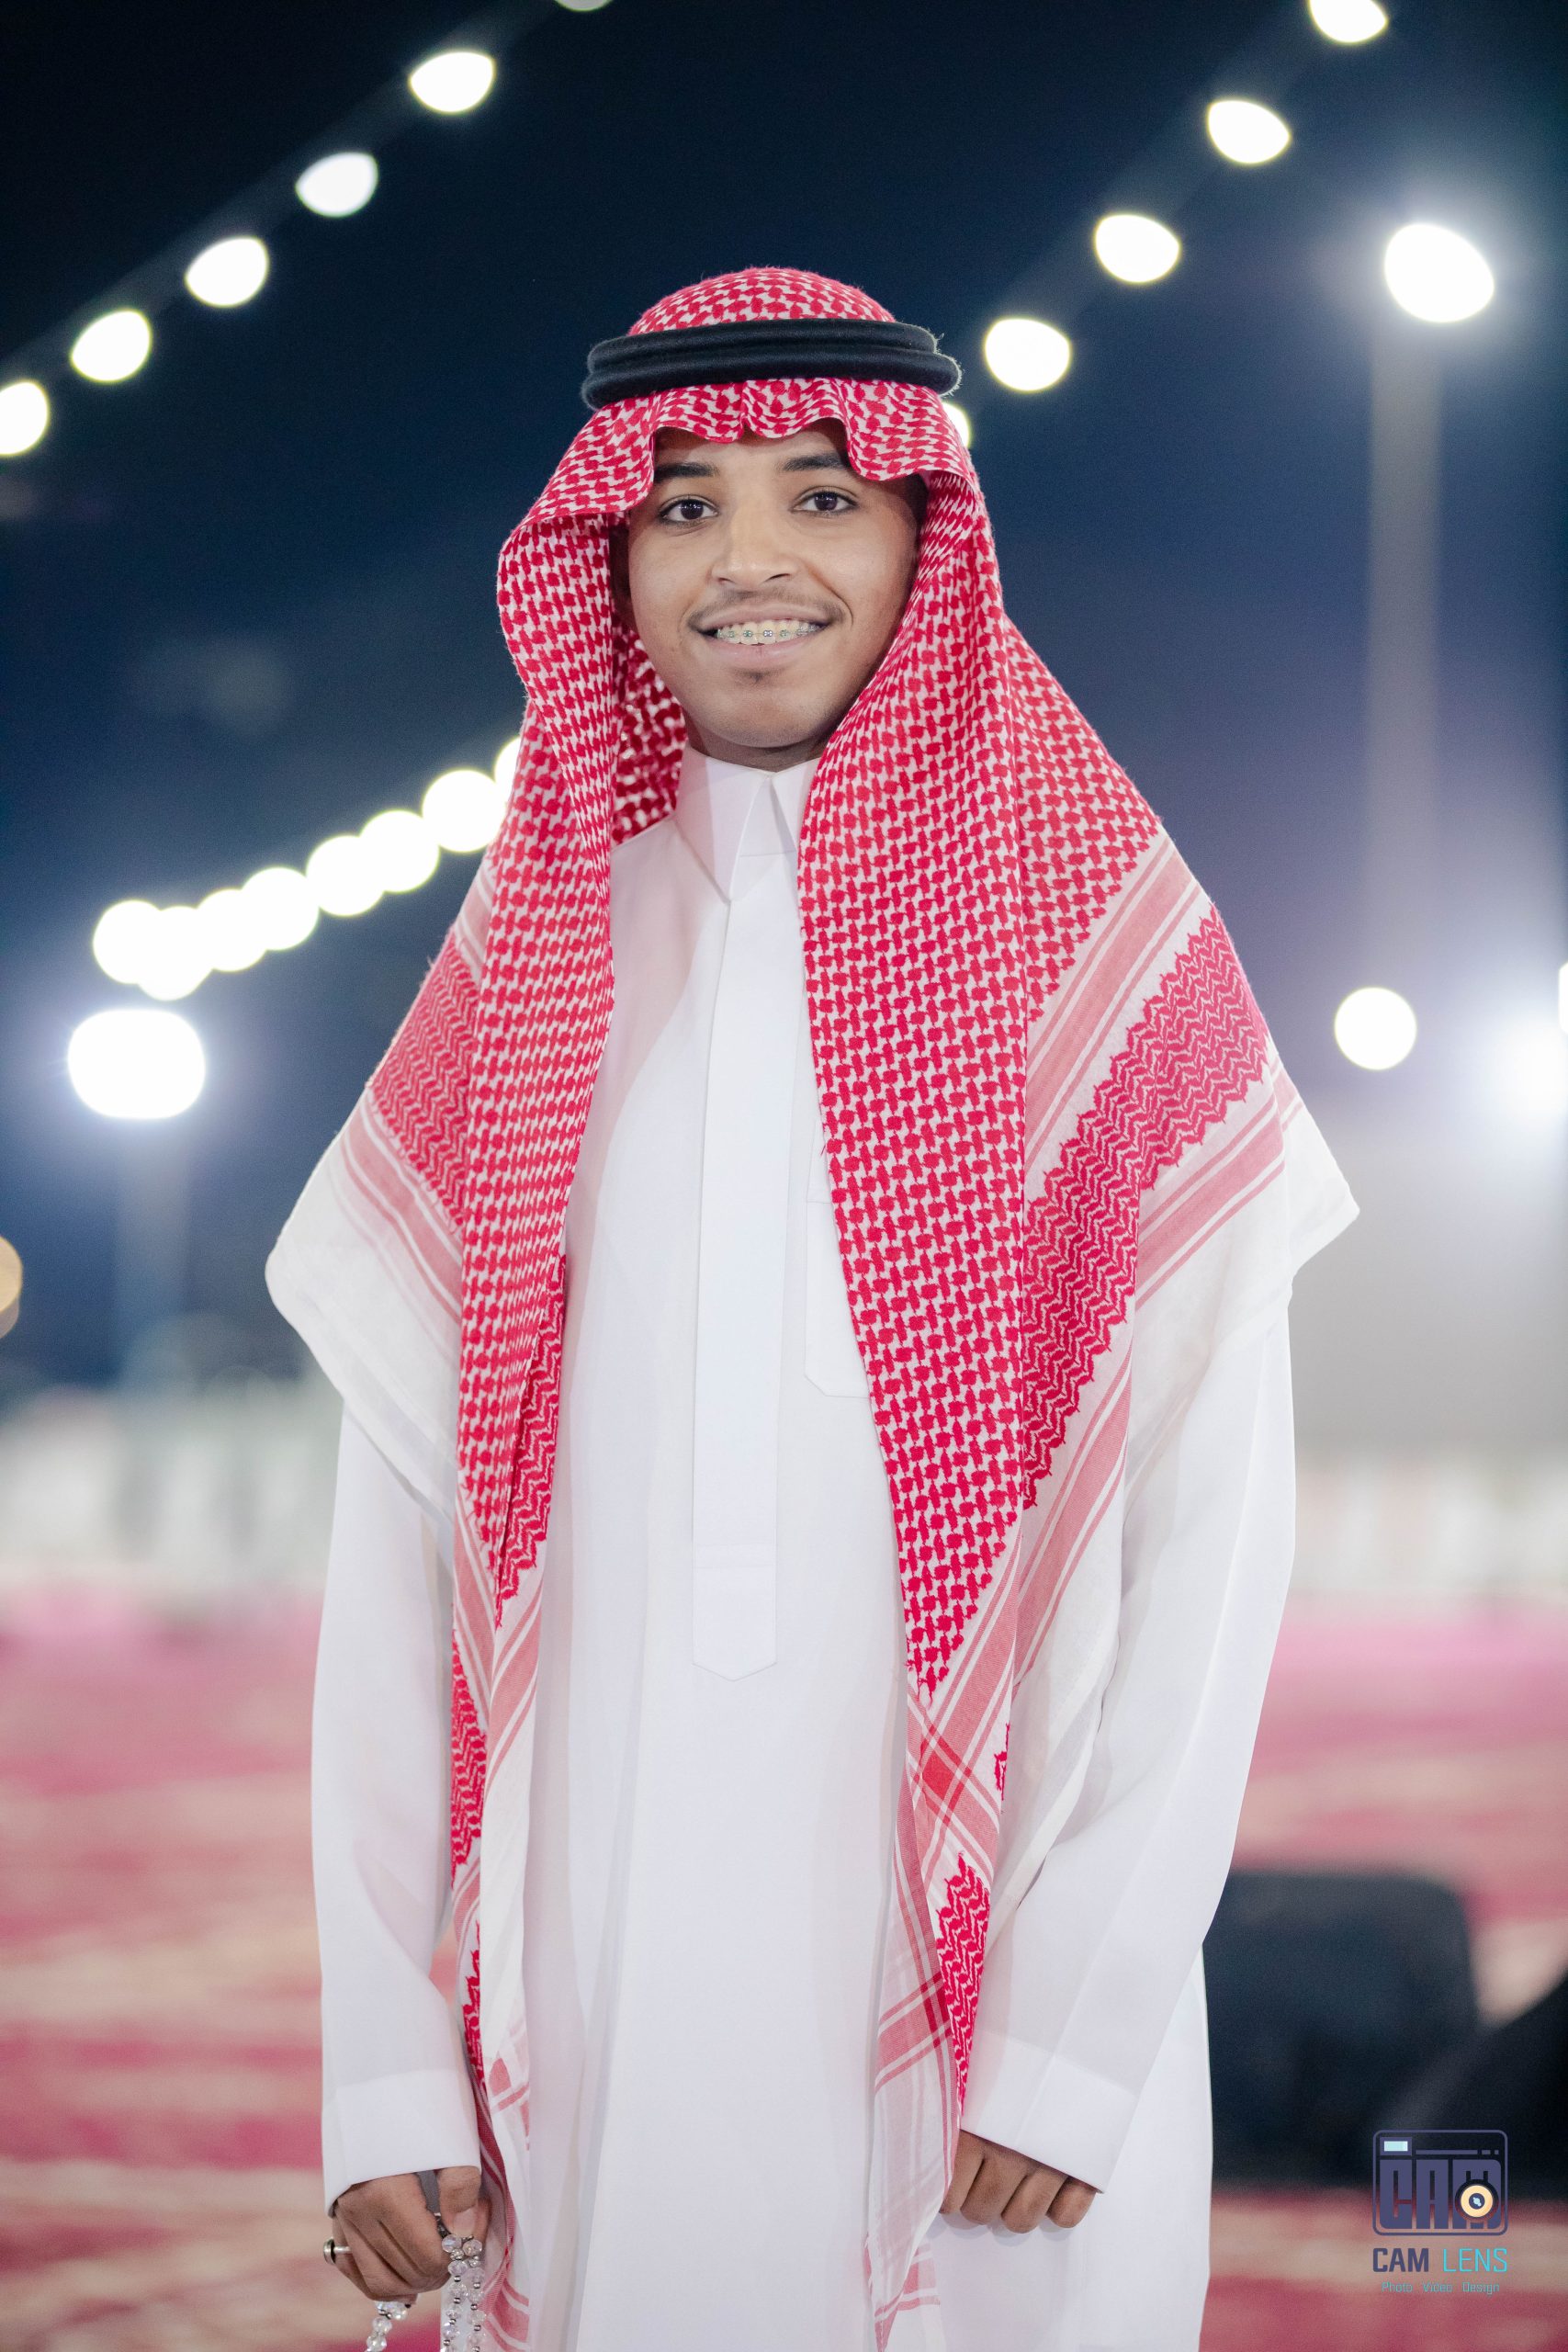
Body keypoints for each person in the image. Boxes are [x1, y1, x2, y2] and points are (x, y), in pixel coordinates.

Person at [268, 266, 1357, 2352]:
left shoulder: (1104, 954)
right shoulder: (530, 968)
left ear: (925, 539)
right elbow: (399, 1565)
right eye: (681, 505)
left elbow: (1212, 1536)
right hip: (588, 1960)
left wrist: (1077, 2022)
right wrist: (385, 2062)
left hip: (997, 2013)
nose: (747, 557)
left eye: (820, 496)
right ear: (608, 559)